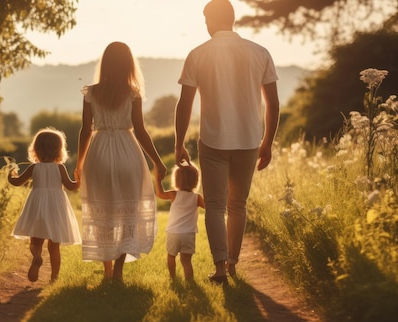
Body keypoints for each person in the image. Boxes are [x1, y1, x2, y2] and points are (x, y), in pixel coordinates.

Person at [174, 0, 280, 283]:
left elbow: (184, 104)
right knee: (238, 205)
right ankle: (232, 264)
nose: (205, 25)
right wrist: (267, 141)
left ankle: (220, 266)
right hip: (248, 140)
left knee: (216, 205)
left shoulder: (198, 54)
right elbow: (273, 103)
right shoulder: (260, 53)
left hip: (212, 140)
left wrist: (178, 142)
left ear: (211, 20)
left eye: (206, 19)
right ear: (232, 20)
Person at [75, 41, 166, 282]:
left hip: (99, 154)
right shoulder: (133, 93)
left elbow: (85, 130)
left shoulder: (91, 93)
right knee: (128, 214)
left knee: (102, 214)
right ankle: (117, 271)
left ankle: (106, 272)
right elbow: (141, 130)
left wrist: (79, 163)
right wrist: (157, 161)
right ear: (128, 64)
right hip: (128, 153)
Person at [8, 127, 81, 283]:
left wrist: (11, 176)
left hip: (37, 206)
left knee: (36, 241)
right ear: (59, 150)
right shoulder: (60, 168)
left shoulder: (34, 167)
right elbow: (71, 186)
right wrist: (78, 179)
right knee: (54, 247)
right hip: (56, 208)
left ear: (35, 149)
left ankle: (37, 257)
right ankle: (53, 278)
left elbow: (17, 182)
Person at [155, 162, 205, 280]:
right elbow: (209, 206)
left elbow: (160, 194)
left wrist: (158, 181)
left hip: (174, 233)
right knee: (186, 261)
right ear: (196, 181)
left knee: (171, 256)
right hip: (189, 234)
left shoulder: (174, 194)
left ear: (176, 180)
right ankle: (189, 280)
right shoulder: (197, 197)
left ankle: (173, 277)